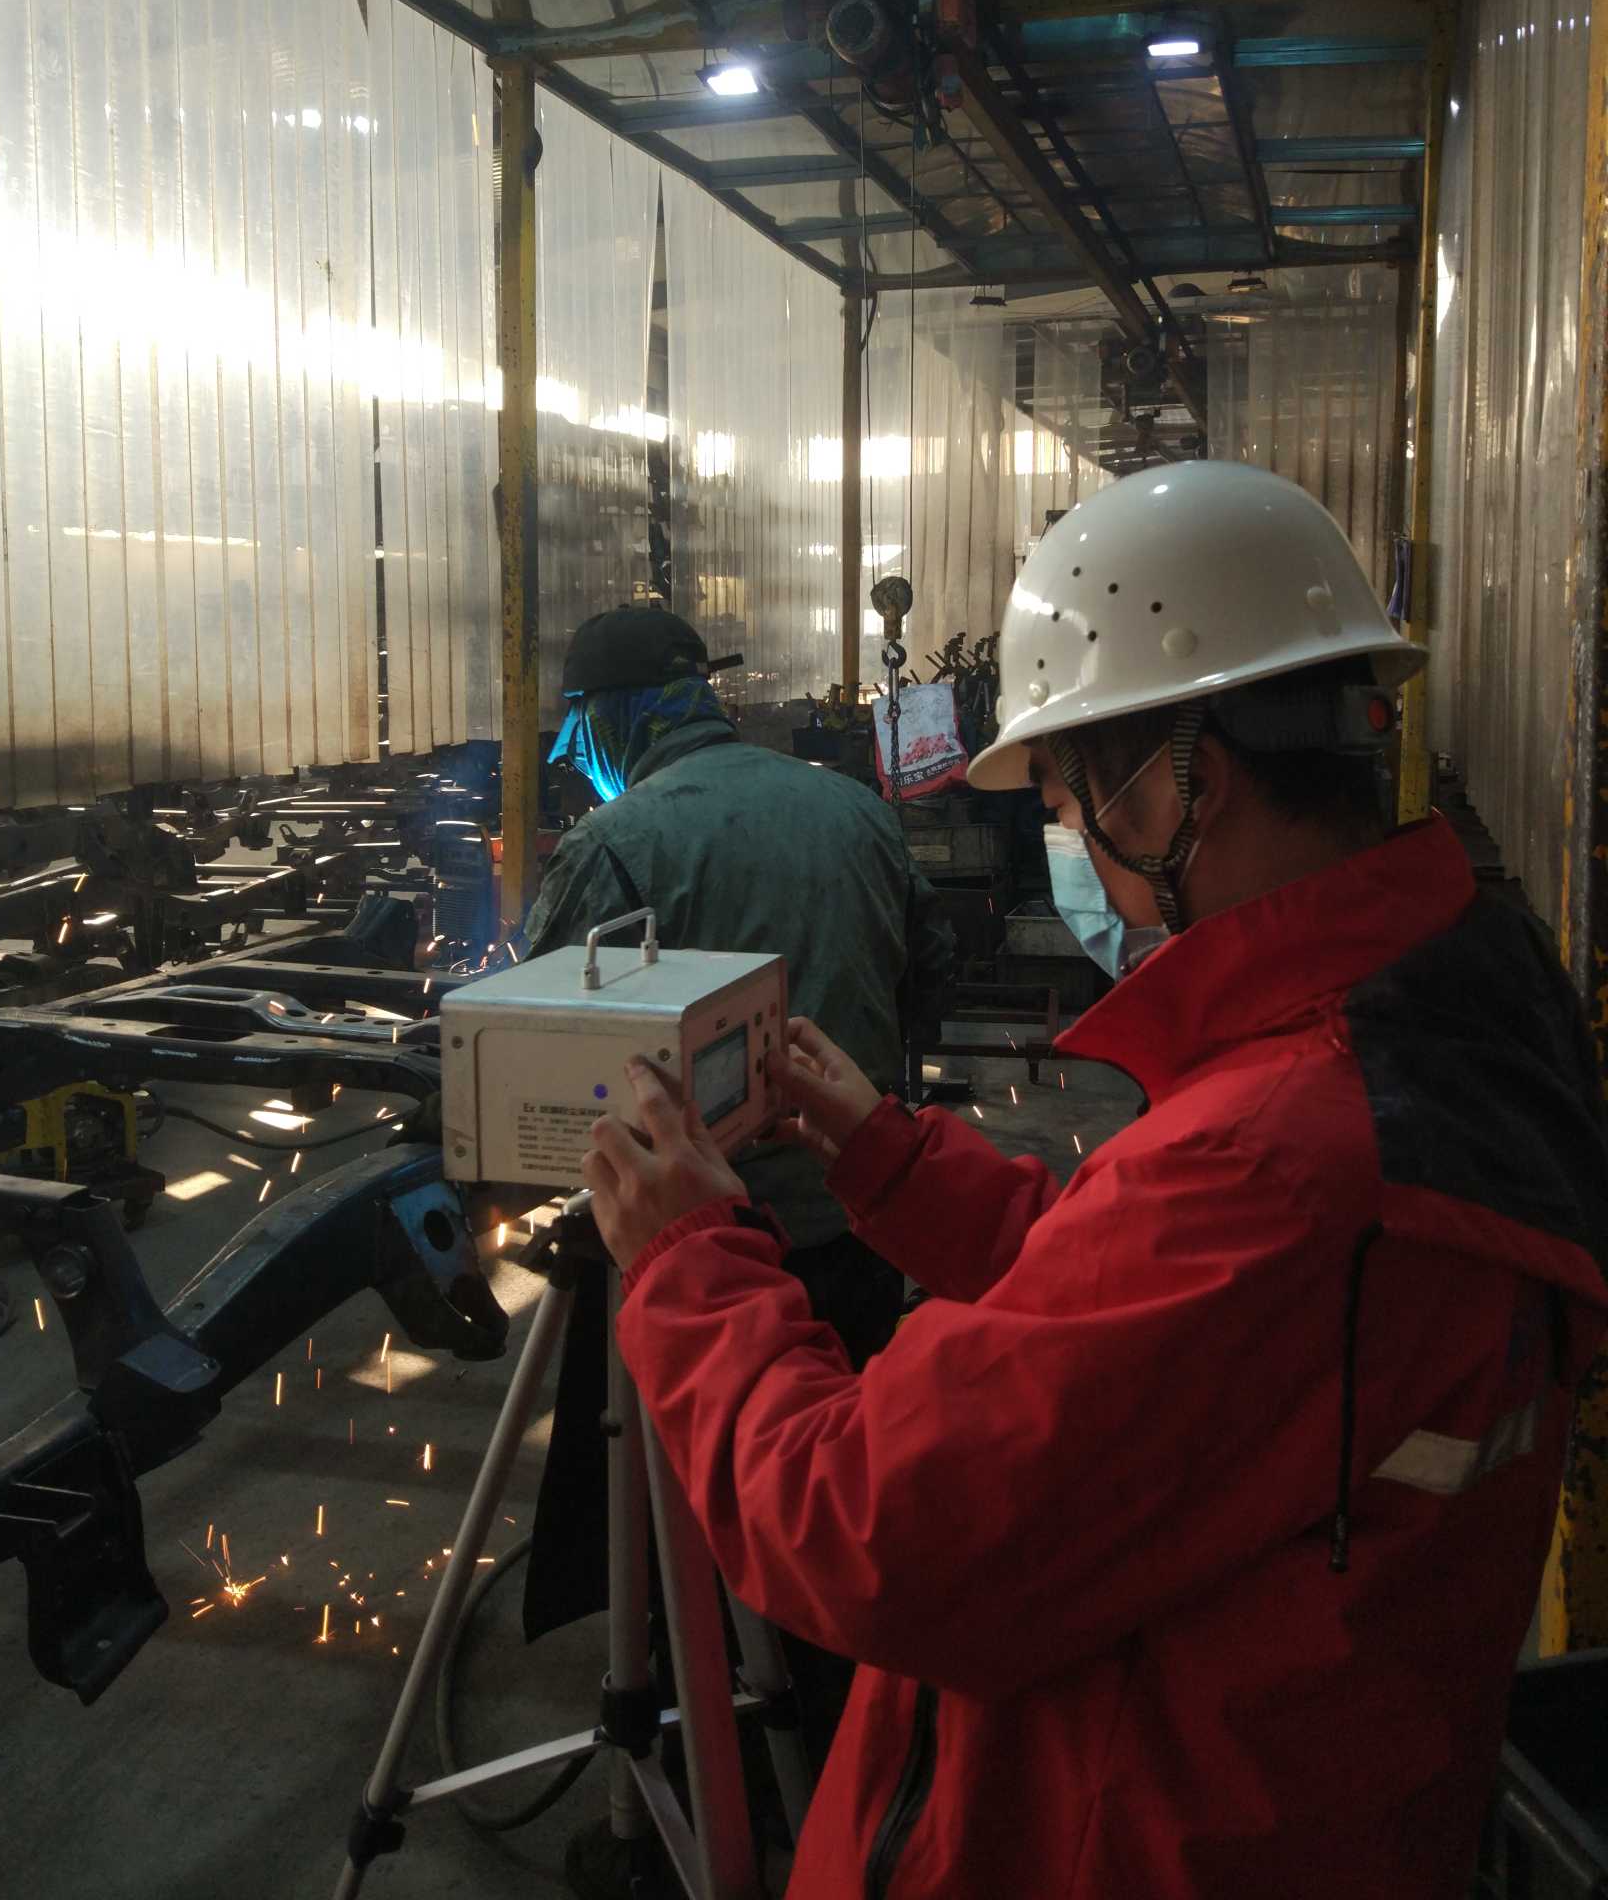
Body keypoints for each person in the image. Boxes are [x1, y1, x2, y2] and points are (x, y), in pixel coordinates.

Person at [579, 462, 1608, 1900]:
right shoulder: (1428, 1022)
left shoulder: (1277, 1154)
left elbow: (863, 1529)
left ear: (1187, 783)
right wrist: (889, 1156)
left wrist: (692, 1261)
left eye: (1068, 797)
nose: (1070, 839)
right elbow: (1142, 1321)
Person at [517, 603, 953, 1672]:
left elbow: (540, 1037)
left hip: (695, 1257)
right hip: (862, 1219)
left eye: (579, 726)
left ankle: (701, 1718)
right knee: (838, 1501)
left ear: (611, 717)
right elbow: (929, 978)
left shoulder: (614, 842)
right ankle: (822, 1689)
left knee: (703, 1510)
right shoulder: (857, 808)